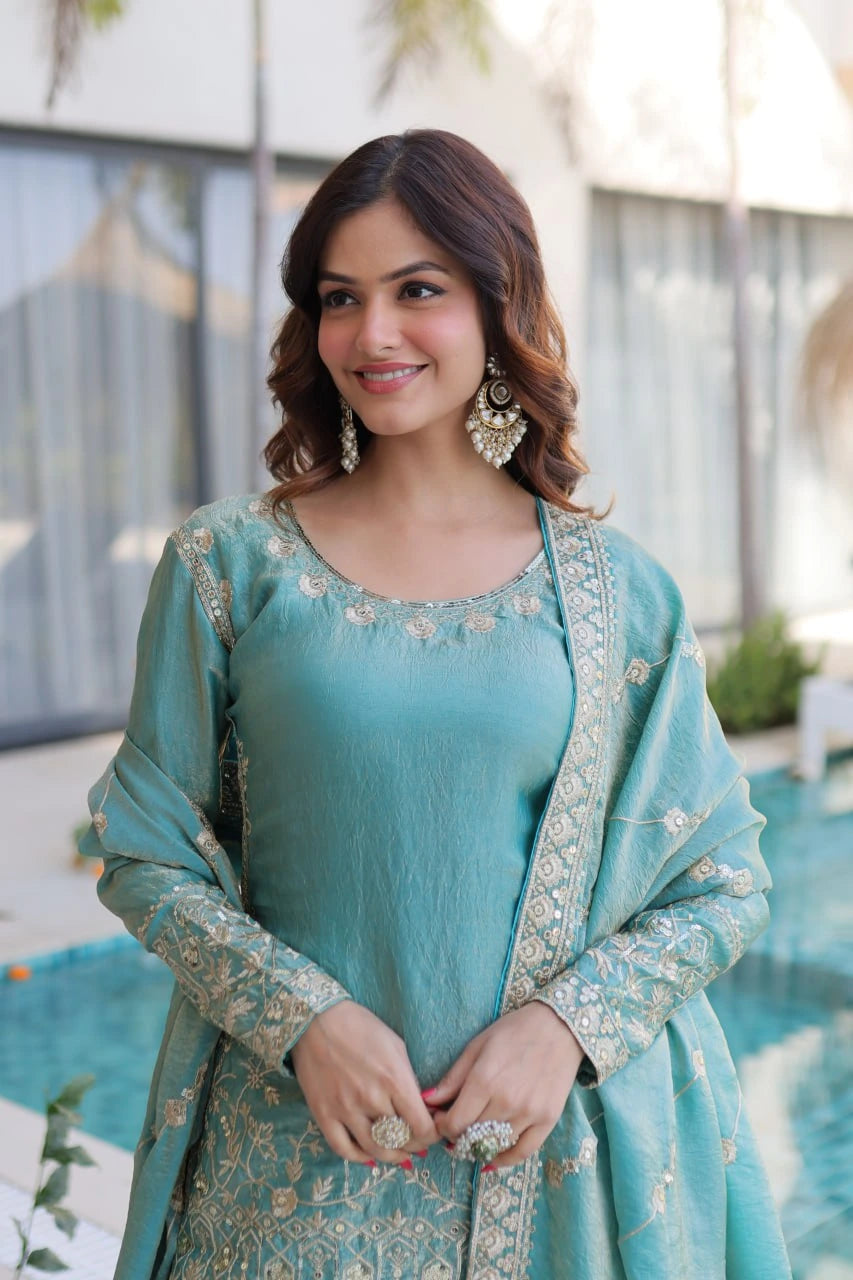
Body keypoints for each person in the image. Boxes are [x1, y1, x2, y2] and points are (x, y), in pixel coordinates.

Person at [82, 129, 791, 1280]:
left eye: (418, 290)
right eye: (339, 297)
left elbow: (722, 875)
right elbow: (145, 848)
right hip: (290, 1178)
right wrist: (300, 1017)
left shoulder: (615, 593)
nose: (373, 333)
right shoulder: (230, 565)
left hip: (556, 1176)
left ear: (497, 303)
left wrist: (566, 1026)